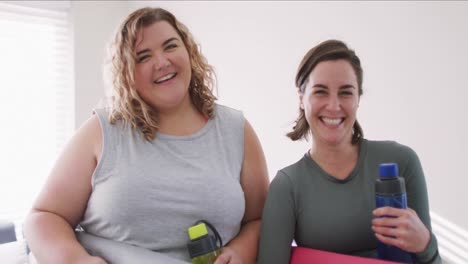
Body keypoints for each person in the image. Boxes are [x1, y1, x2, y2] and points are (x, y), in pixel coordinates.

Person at [24, 7, 269, 264]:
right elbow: (43, 216)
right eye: (143, 57)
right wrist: (76, 260)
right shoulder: (102, 130)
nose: (162, 62)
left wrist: (242, 250)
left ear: (189, 51)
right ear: (126, 73)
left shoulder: (235, 129)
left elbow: (260, 219)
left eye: (170, 46)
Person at [257, 39, 440, 264]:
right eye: (320, 92)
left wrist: (426, 245)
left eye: (345, 93)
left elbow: (432, 260)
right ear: (302, 99)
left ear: (358, 99)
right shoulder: (287, 186)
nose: (334, 106)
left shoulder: (402, 161)